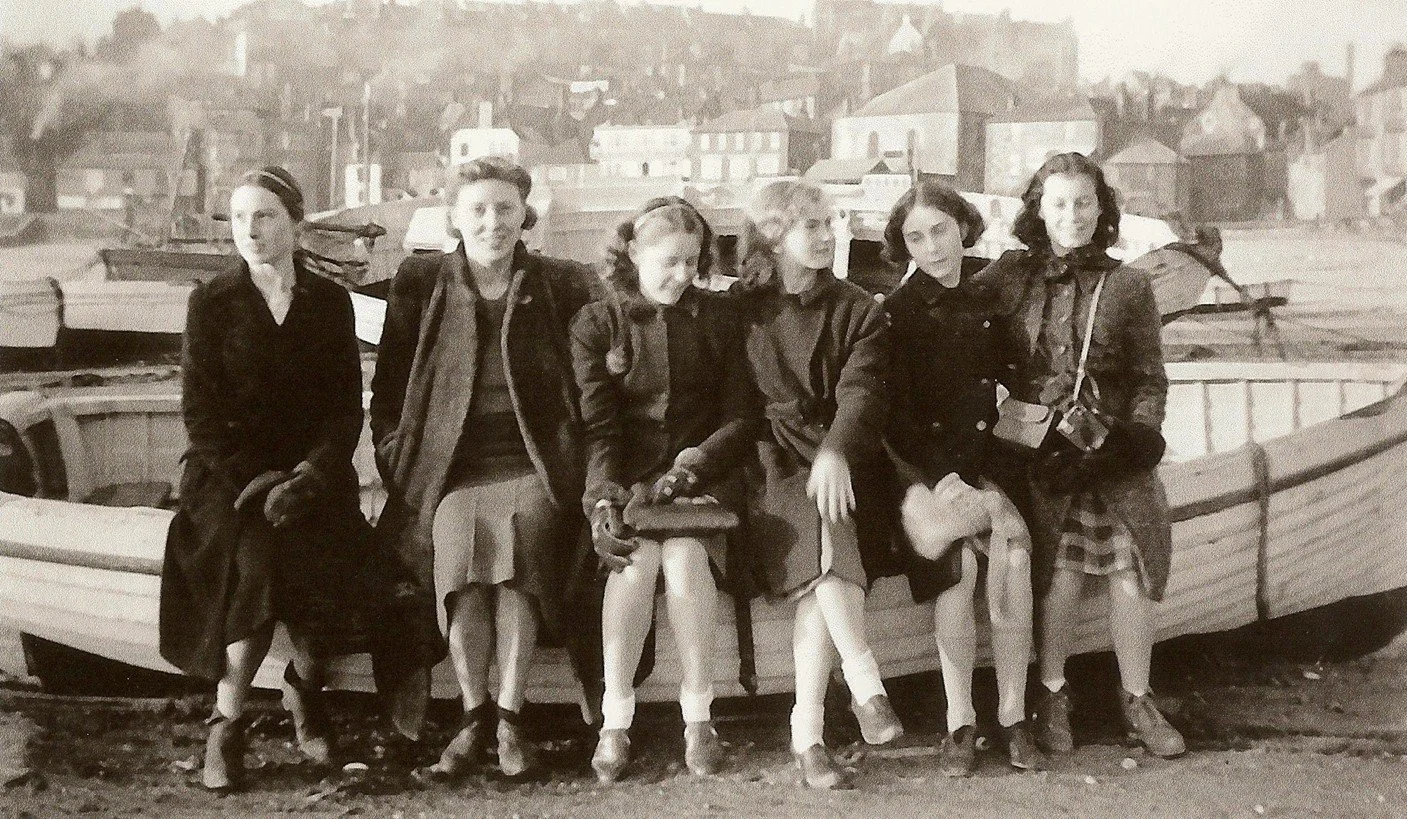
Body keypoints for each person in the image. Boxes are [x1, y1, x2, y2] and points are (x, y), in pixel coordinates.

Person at [369, 156, 597, 779]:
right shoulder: (423, 284)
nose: (492, 222)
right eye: (478, 209)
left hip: (534, 466)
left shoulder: (558, 284)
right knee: (456, 542)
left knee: (521, 542)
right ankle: (474, 717)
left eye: (505, 208)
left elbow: (595, 374)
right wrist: (398, 457)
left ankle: (511, 718)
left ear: (525, 215)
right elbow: (390, 391)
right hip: (450, 471)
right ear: (454, 217)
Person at [160, 166, 375, 792]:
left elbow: (344, 409)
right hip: (229, 479)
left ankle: (304, 690)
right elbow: (201, 417)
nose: (249, 230)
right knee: (256, 558)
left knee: (323, 555)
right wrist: (258, 482)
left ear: (296, 225)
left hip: (311, 475)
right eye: (239, 218)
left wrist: (311, 474)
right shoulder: (212, 302)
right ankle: (226, 723)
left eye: (264, 216)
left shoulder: (328, 302)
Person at [977, 152, 1186, 758]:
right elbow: (951, 320)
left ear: (1102, 209)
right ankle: (1052, 694)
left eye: (1084, 203)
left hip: (1111, 452)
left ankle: (1137, 699)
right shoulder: (1010, 277)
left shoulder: (1128, 285)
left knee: (1131, 567)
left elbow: (1149, 378)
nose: (1073, 215)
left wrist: (1137, 439)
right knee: (1061, 572)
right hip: (1040, 455)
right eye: (1059, 203)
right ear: (1039, 211)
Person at [570, 196, 756, 783]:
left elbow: (740, 416)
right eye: (668, 261)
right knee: (634, 564)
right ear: (633, 252)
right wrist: (603, 498)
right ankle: (615, 720)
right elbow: (599, 427)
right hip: (630, 486)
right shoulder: (599, 323)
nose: (682, 275)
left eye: (691, 262)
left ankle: (699, 719)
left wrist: (691, 467)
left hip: (704, 482)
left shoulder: (718, 318)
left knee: (685, 560)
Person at [732, 179, 903, 790]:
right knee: (822, 536)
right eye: (813, 225)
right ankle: (863, 682)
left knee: (823, 558)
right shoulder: (742, 309)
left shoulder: (860, 308)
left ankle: (808, 737)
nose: (829, 236)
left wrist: (835, 450)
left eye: (831, 222)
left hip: (844, 456)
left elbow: (863, 391)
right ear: (774, 237)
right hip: (769, 461)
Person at [881, 180, 1046, 776]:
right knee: (958, 571)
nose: (932, 248)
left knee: (1014, 557)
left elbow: (1017, 383)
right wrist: (944, 481)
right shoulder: (896, 315)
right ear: (904, 247)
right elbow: (895, 421)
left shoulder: (988, 299)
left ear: (963, 228)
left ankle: (1014, 716)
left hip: (988, 465)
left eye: (941, 231)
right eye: (916, 238)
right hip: (926, 477)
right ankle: (960, 722)